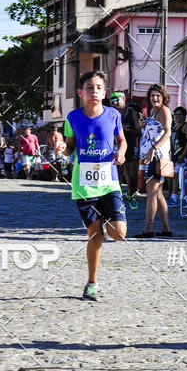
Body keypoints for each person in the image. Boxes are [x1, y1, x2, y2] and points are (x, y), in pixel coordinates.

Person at [63, 70, 127, 301]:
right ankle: (92, 283)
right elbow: (70, 146)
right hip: (84, 185)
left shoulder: (113, 115)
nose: (95, 92)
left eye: (99, 87)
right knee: (94, 234)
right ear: (80, 92)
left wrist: (121, 152)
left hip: (109, 182)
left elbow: (122, 140)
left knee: (119, 234)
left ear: (104, 91)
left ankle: (107, 226)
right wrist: (63, 149)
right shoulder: (72, 118)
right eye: (89, 88)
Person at [134, 84, 173, 238]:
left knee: (151, 193)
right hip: (152, 154)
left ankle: (149, 228)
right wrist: (144, 124)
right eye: (152, 96)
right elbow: (154, 132)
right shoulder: (154, 111)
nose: (155, 98)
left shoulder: (164, 110)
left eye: (158, 96)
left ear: (163, 97)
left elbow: (168, 132)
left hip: (157, 156)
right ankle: (166, 228)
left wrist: (154, 149)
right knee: (157, 194)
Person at [109, 91, 141, 200]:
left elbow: (138, 131)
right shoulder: (109, 112)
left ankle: (131, 193)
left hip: (127, 146)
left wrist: (123, 129)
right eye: (112, 100)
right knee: (114, 173)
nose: (114, 102)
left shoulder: (131, 112)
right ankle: (116, 195)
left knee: (131, 175)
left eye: (117, 100)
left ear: (123, 99)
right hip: (111, 146)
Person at [169, 105, 187, 204]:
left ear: (184, 116)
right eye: (176, 115)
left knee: (184, 177)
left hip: (183, 155)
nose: (177, 117)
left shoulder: (185, 126)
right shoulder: (175, 127)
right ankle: (174, 196)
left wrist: (184, 155)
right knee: (176, 175)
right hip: (176, 155)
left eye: (180, 115)